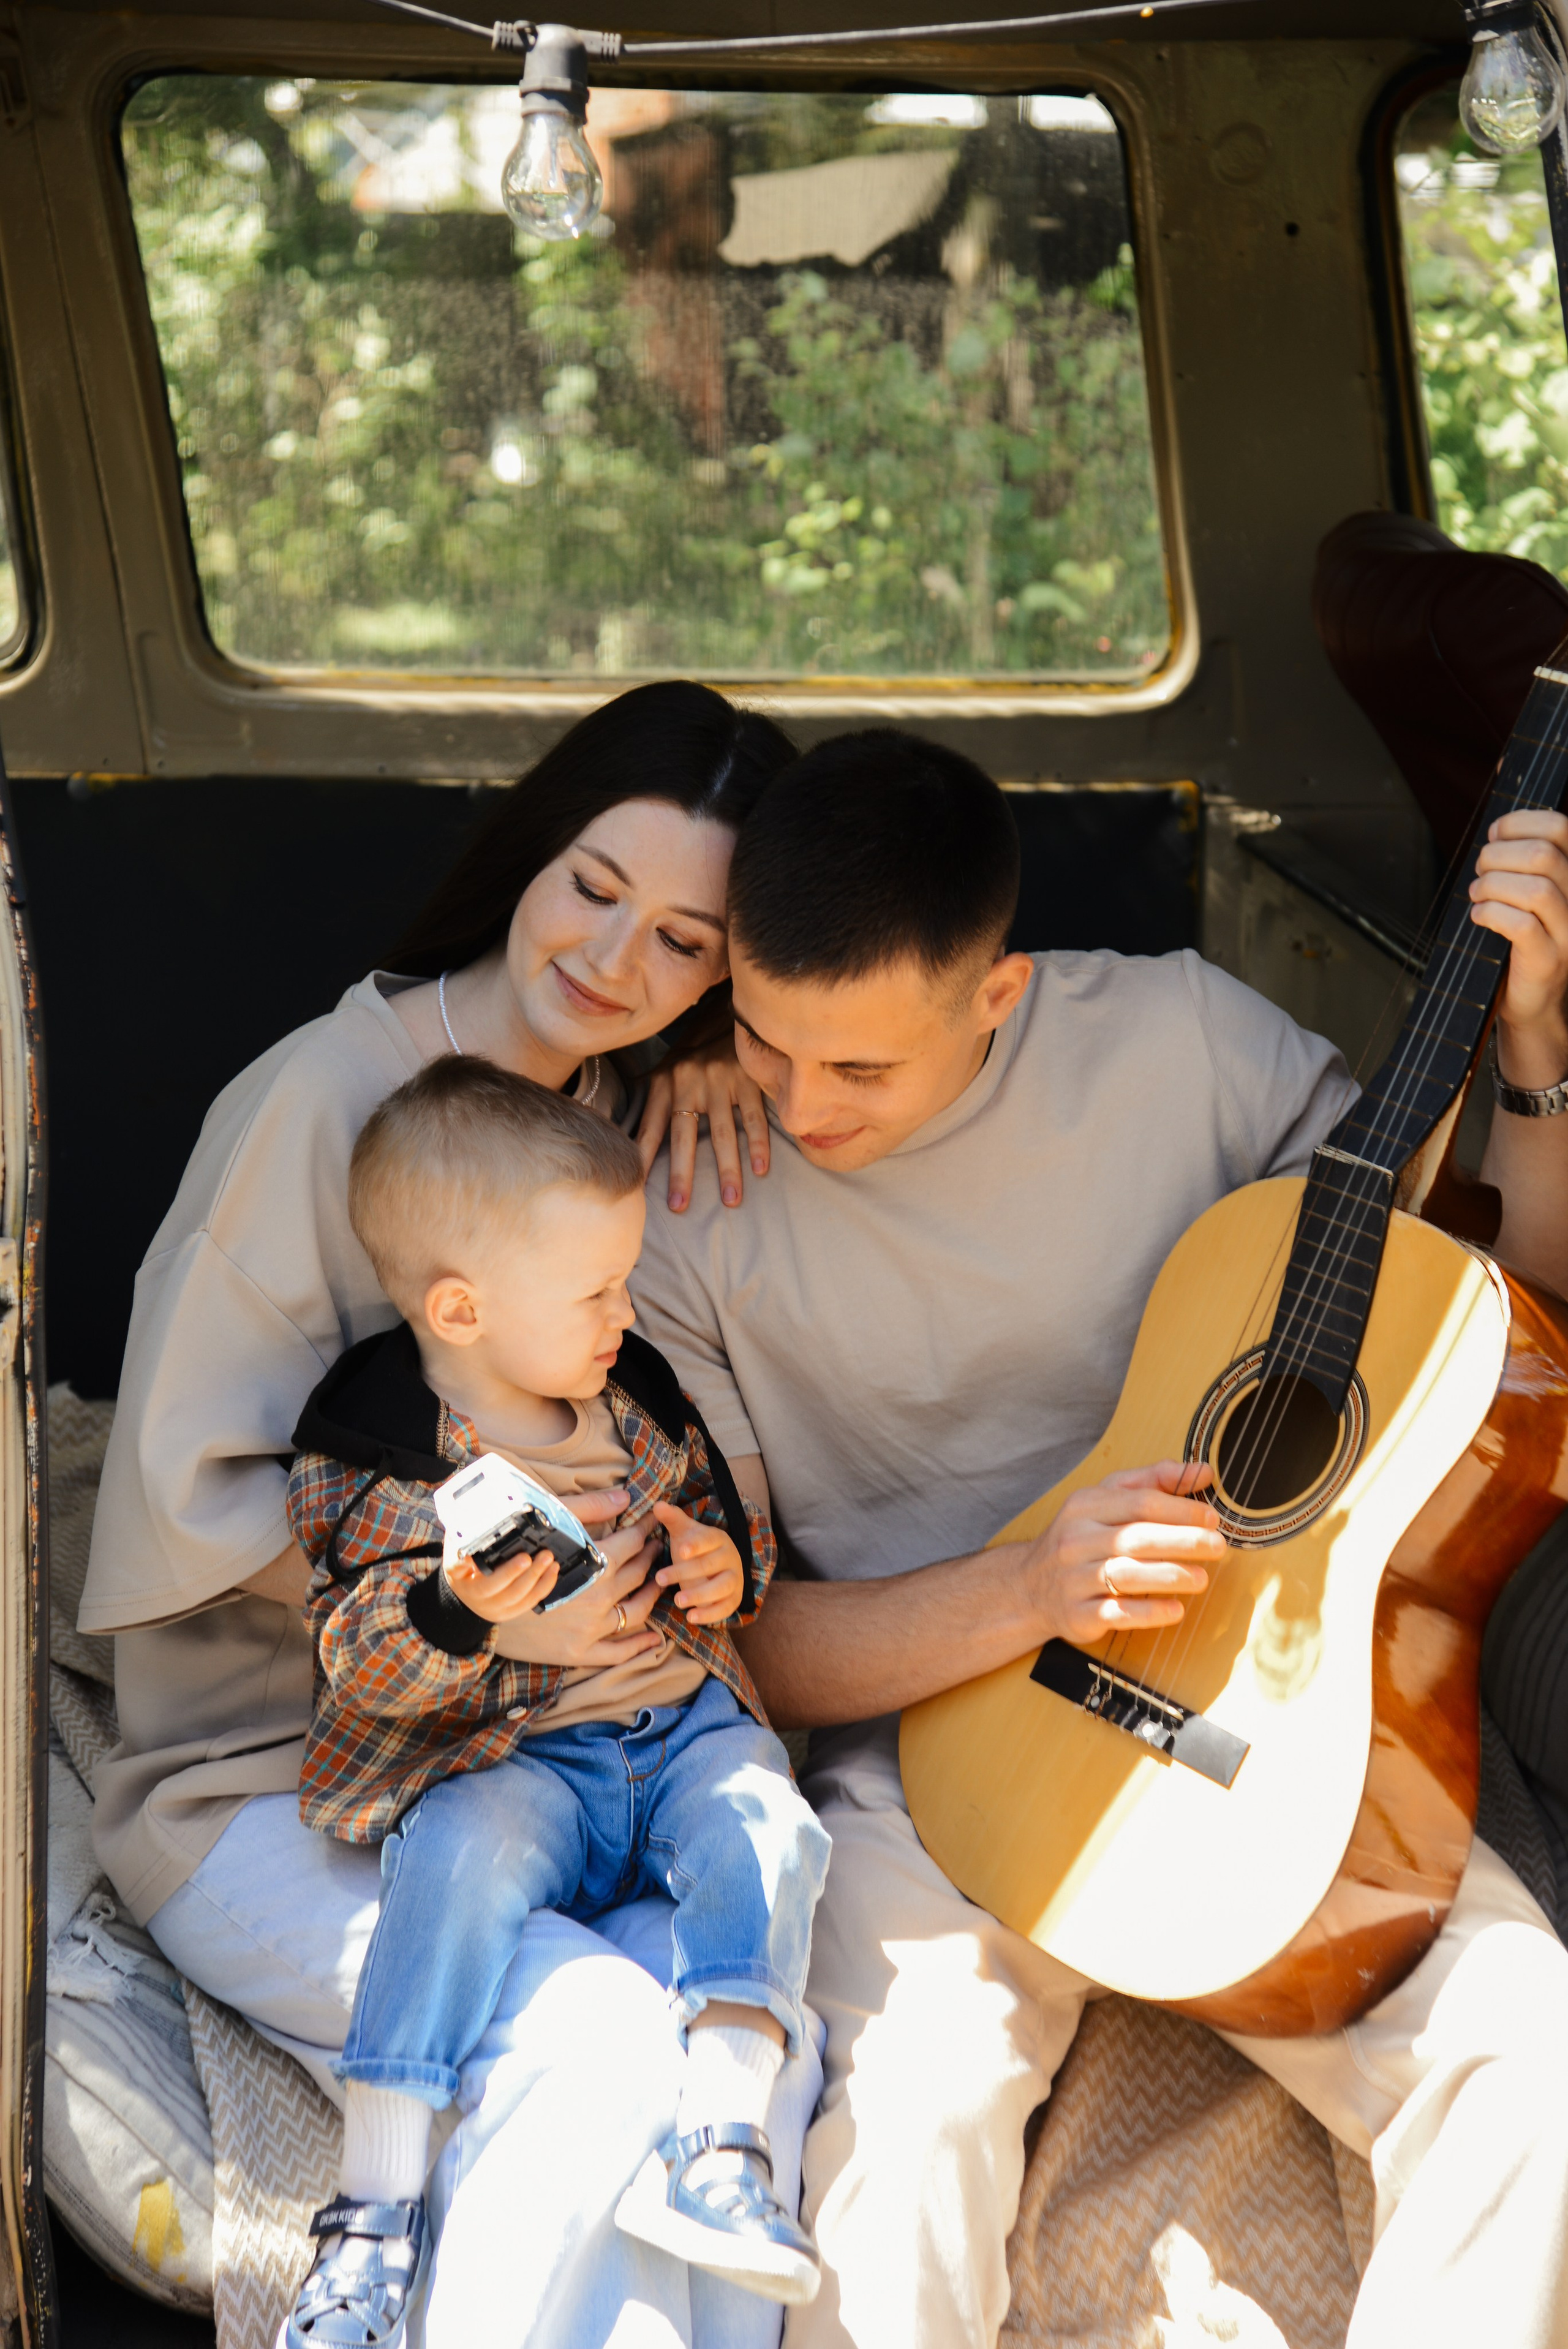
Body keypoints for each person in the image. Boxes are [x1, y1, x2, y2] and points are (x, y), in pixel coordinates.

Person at [630, 728, 1568, 2349]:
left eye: (861, 1069)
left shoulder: (1184, 1043)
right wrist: (1029, 1583)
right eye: (763, 1038)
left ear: (1000, 994)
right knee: (907, 2123)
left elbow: (1497, 1314)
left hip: (1270, 1731)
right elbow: (753, 1648)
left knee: (1529, 2055)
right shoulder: (685, 1192)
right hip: (930, 1752)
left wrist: (1539, 1038)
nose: (798, 1104)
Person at [78, 681, 821, 2349]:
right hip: (282, 1765)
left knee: (762, 2039)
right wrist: (493, 1593)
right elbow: (182, 1488)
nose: (620, 959)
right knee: (588, 2047)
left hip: (580, 1759)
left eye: (688, 945)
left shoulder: (639, 1111)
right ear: (529, 849)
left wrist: (706, 1057)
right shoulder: (320, 1100)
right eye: (594, 885)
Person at [283, 1060, 829, 2347]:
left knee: (769, 1818)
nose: (621, 1314)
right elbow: (356, 1652)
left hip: (682, 1733)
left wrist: (718, 1563)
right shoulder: (385, 1440)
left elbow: (721, 1525)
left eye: (625, 1282)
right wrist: (465, 1610)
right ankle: (372, 2212)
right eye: (594, 1290)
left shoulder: (628, 1391)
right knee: (455, 1859)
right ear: (461, 1308)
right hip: (518, 1753)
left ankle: (726, 2146)